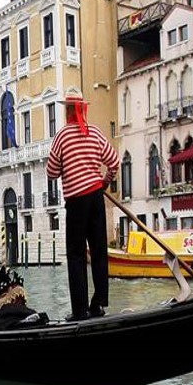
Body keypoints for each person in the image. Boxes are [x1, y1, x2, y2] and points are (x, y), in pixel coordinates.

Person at [46, 93, 120, 321]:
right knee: (99, 252)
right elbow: (114, 162)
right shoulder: (95, 133)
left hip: (76, 201)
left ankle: (80, 310)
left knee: (77, 255)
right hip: (96, 197)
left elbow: (51, 172)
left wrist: (67, 167)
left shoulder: (62, 136)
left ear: (68, 110)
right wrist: (104, 182)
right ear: (83, 110)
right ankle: (98, 304)